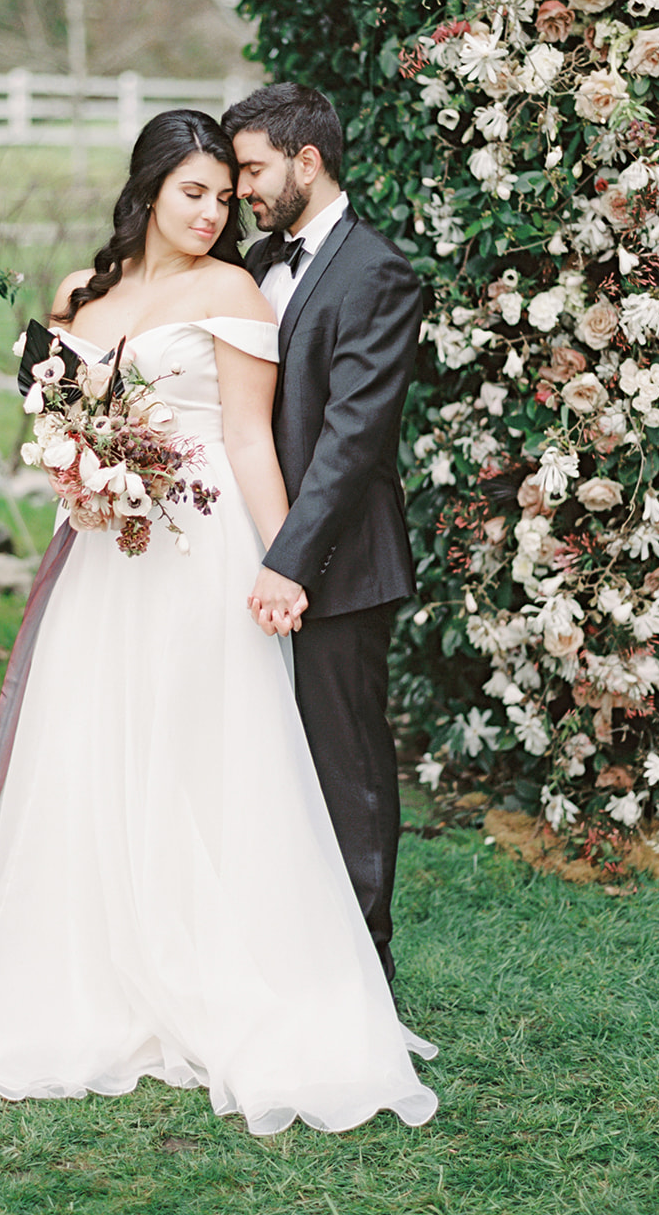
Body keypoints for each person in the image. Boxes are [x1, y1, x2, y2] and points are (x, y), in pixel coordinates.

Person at [0, 109, 436, 1135]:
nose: (216, 213)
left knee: (203, 744)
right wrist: (79, 482)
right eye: (196, 192)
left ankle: (226, 954)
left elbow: (255, 444)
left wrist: (280, 567)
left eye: (227, 194)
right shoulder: (76, 296)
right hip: (106, 552)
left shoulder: (232, 289)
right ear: (148, 190)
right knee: (92, 739)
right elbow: (52, 426)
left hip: (205, 542)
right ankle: (91, 960)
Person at [224, 82, 423, 988]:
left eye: (254, 169)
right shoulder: (258, 260)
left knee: (347, 766)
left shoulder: (376, 271)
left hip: (337, 564)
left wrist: (286, 562)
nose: (242, 190)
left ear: (308, 161)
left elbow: (351, 443)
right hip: (252, 551)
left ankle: (362, 974)